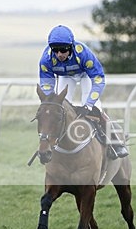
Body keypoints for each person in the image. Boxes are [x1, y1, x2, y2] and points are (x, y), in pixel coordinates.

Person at [38, 24, 129, 159]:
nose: (59, 54)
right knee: (60, 108)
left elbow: (98, 80)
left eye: (63, 50)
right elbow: (47, 86)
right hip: (66, 77)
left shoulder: (83, 53)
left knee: (95, 108)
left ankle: (116, 143)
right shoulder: (46, 59)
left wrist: (88, 104)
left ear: (71, 46)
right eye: (55, 50)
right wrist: (50, 104)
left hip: (86, 75)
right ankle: (50, 143)